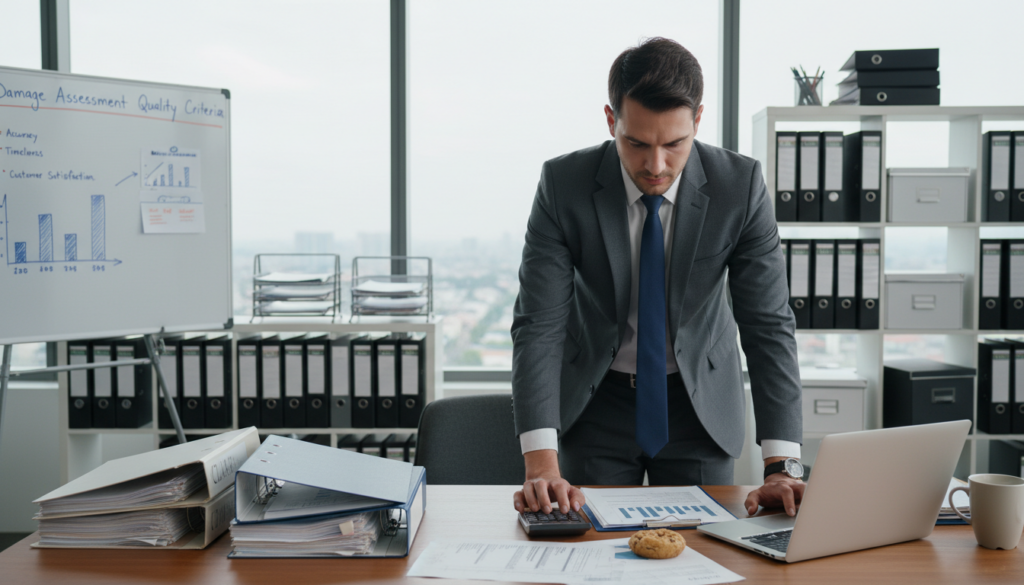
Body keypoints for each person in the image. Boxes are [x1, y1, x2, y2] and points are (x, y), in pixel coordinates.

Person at [510, 37, 804, 519]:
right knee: (589, 555)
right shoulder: (565, 185)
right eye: (637, 143)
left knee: (705, 554)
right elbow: (538, 325)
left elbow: (768, 324)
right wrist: (541, 461)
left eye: (674, 144)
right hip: (597, 402)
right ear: (611, 121)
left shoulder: (740, 187)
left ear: (698, 121)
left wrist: (782, 464)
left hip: (699, 408)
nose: (656, 165)